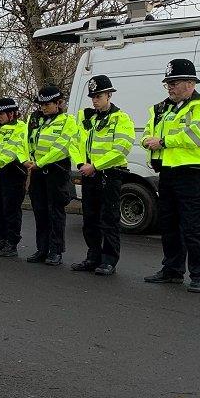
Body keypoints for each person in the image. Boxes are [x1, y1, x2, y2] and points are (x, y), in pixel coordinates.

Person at [141, 59, 200, 293]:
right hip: (169, 173)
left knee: (196, 228)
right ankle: (172, 270)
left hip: (196, 173)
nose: (170, 87)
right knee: (169, 225)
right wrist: (149, 141)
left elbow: (197, 136)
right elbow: (148, 133)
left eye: (174, 82)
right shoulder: (162, 109)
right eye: (167, 83)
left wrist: (162, 142)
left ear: (190, 83)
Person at [71, 76, 136, 276]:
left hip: (110, 175)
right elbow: (75, 142)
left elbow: (121, 149)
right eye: (92, 97)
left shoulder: (121, 119)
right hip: (89, 175)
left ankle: (109, 260)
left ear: (109, 95)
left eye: (98, 96)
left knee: (109, 219)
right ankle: (93, 257)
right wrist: (82, 163)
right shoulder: (88, 118)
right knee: (90, 219)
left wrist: (96, 166)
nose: (95, 100)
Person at [25, 86, 79, 266]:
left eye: (47, 104)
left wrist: (40, 163)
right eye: (41, 104)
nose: (43, 107)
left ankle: (55, 251)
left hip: (56, 171)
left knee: (55, 212)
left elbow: (62, 148)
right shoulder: (35, 120)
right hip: (37, 172)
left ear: (59, 103)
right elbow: (27, 141)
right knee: (40, 211)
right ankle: (42, 248)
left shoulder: (67, 121)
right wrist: (27, 159)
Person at [0, 98, 29, 258]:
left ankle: (12, 243)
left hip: (13, 172)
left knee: (11, 209)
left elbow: (11, 150)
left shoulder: (20, 127)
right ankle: (2, 239)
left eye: (1, 113)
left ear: (12, 113)